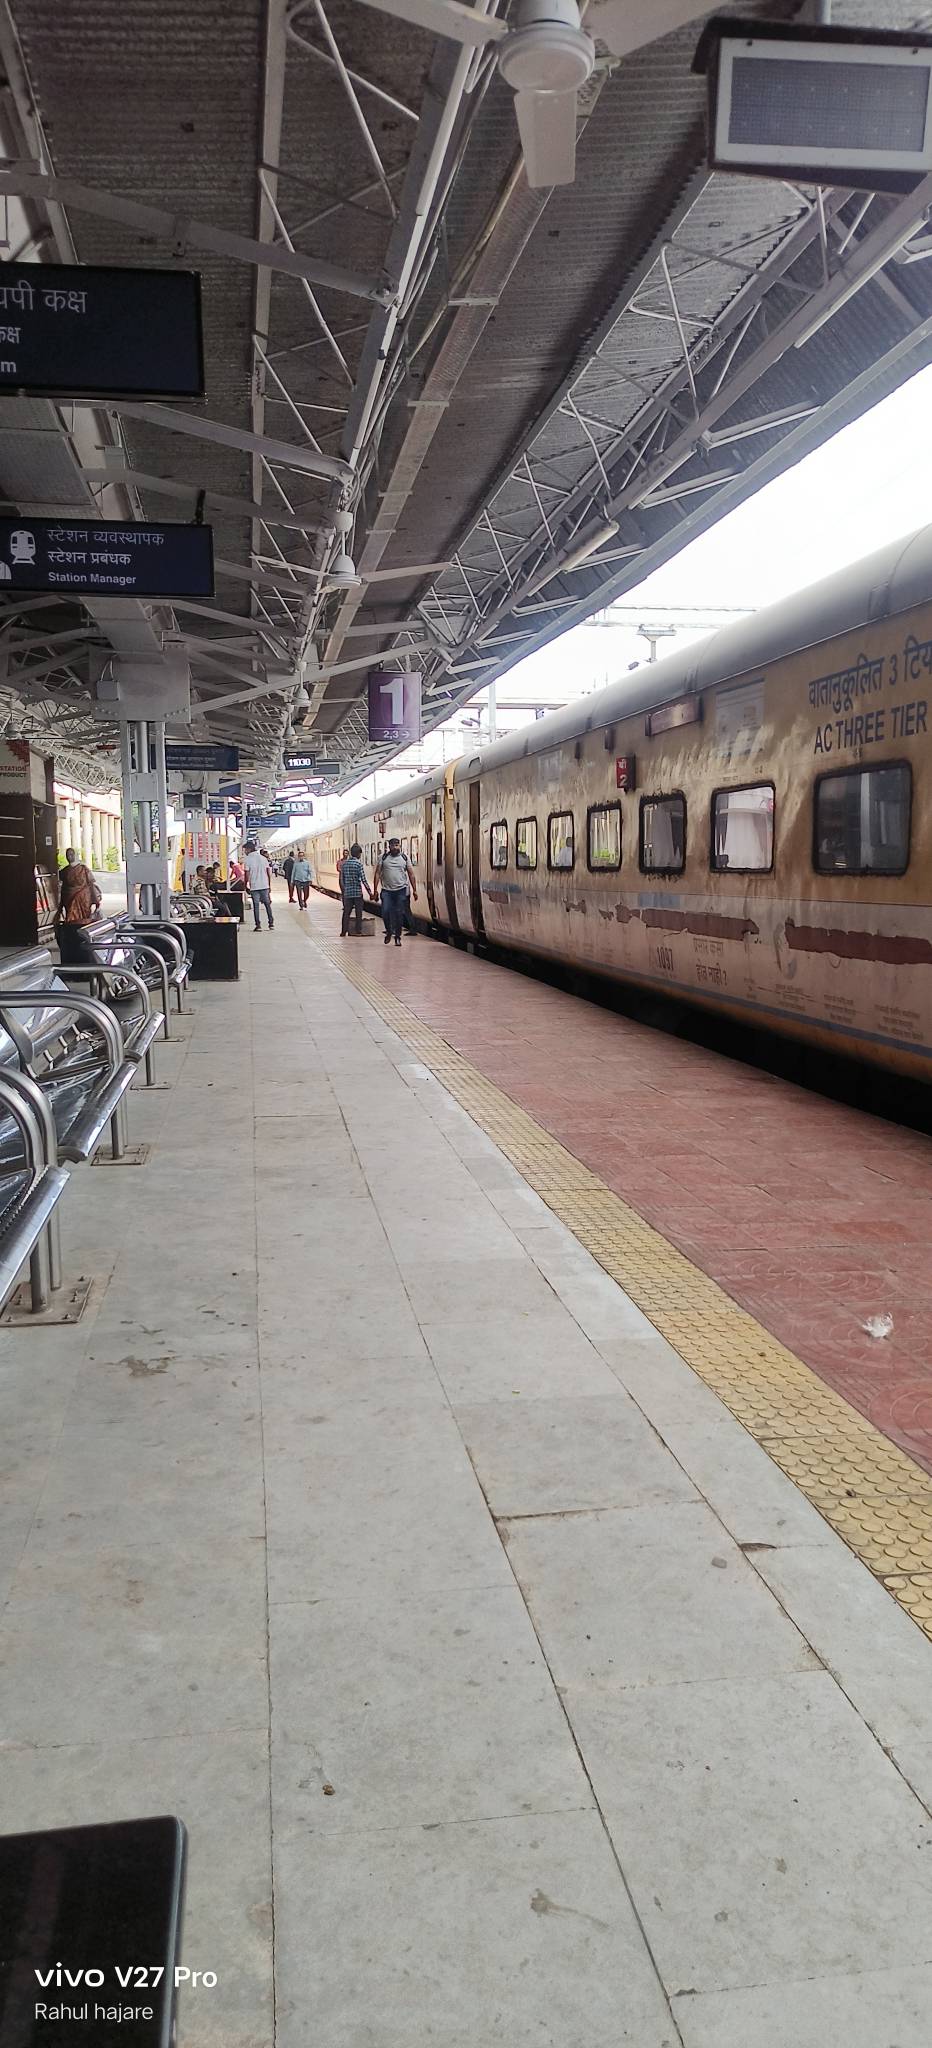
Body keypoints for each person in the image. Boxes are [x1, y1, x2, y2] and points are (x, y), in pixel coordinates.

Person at [55, 847, 102, 964]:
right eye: (68, 855)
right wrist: (60, 906)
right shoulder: (64, 871)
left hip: (83, 898)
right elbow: (62, 888)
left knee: (83, 919)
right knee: (71, 919)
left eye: (71, 854)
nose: (69, 857)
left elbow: (91, 885)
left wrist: (96, 901)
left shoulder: (84, 869)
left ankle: (81, 936)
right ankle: (74, 938)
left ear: (75, 855)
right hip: (69, 898)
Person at [374, 835, 417, 947]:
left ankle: (397, 937)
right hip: (386, 890)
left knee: (399, 914)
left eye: (397, 845)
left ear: (400, 846)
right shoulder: (383, 858)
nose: (395, 847)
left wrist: (415, 890)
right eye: (392, 845)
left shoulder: (405, 858)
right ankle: (389, 931)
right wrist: (375, 890)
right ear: (389, 847)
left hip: (401, 890)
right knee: (385, 912)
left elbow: (411, 874)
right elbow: (377, 873)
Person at [339, 842, 373, 936]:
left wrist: (344, 889)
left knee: (346, 912)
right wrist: (370, 893)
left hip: (347, 893)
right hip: (357, 893)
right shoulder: (358, 864)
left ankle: (343, 931)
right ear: (358, 854)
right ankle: (358, 930)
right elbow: (364, 880)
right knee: (358, 912)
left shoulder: (344, 864)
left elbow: (342, 879)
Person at [244, 839, 274, 931]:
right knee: (267, 904)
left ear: (249, 849)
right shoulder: (264, 858)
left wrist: (246, 885)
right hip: (264, 885)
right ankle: (271, 924)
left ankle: (258, 925)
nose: (245, 852)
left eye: (245, 850)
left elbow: (247, 874)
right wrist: (269, 885)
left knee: (256, 906)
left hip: (254, 886)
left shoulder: (248, 859)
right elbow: (268, 873)